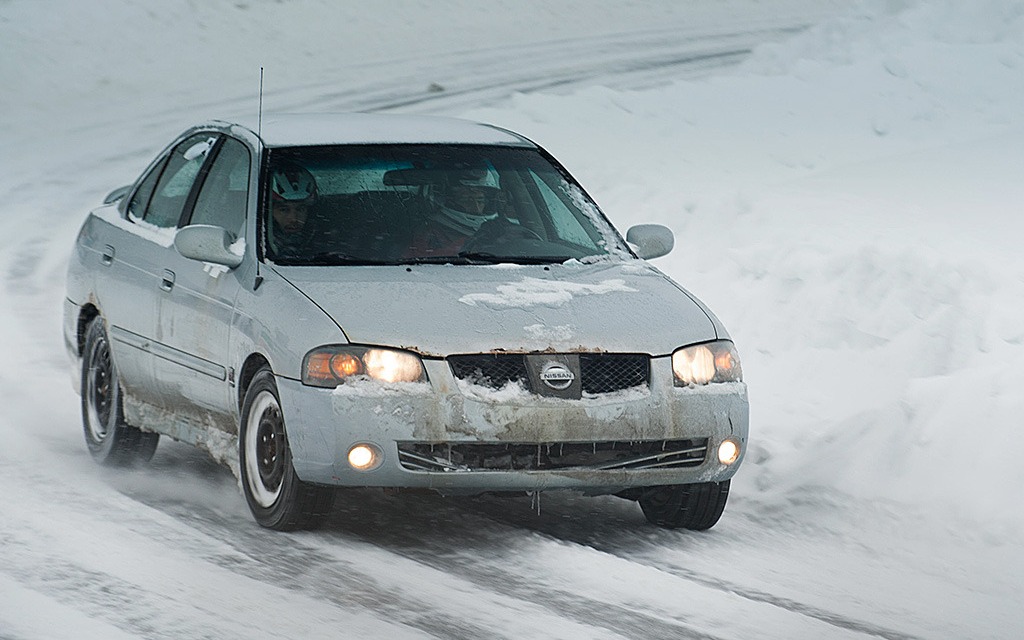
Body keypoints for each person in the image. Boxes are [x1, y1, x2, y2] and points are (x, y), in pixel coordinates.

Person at [404, 167, 499, 258]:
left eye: (480, 201)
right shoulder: (429, 232)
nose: (476, 208)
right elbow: (418, 264)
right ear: (447, 201)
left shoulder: (494, 230)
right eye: (466, 200)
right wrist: (464, 244)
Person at [268, 162, 318, 256]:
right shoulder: (253, 242)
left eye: (300, 209)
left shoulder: (324, 241)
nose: (294, 218)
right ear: (270, 212)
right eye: (284, 210)